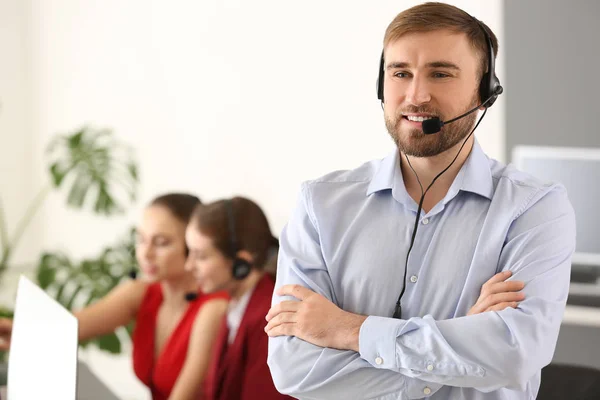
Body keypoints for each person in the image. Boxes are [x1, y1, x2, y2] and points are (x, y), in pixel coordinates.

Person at [265, 3, 576, 400]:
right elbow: (295, 370)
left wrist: (347, 330)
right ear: (382, 85)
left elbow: (514, 354)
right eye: (400, 73)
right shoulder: (320, 204)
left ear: (486, 91)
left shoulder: (534, 209)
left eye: (441, 73)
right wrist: (461, 345)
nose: (416, 95)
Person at [0, 193, 228, 400]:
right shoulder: (140, 293)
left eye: (161, 243)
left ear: (192, 246)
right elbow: (70, 326)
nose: (146, 254)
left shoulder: (212, 308)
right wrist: (17, 331)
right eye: (141, 240)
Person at [185, 196, 291, 400]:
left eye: (201, 256)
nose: (189, 266)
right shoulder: (237, 305)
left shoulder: (268, 320)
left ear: (241, 263)